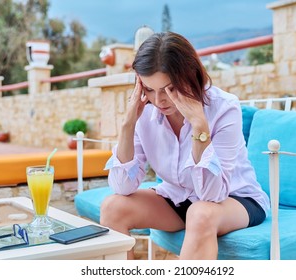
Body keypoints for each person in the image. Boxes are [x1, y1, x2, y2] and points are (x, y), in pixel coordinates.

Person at [100, 31, 270, 260]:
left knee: (200, 213)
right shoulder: (145, 114)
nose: (158, 101)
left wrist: (200, 127)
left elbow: (212, 194)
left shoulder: (224, 108)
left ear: (188, 75)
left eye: (168, 89)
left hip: (234, 198)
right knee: (112, 207)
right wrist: (128, 124)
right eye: (149, 89)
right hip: (179, 198)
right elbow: (122, 186)